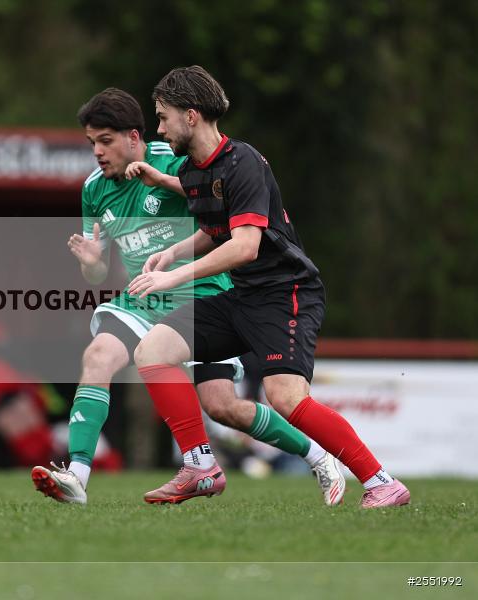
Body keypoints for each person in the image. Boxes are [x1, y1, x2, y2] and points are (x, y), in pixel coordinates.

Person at [31, 88, 345, 505]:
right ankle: (78, 476)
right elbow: (99, 272)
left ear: (134, 137)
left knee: (223, 407)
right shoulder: (94, 189)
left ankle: (317, 454)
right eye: (92, 143)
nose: (98, 153)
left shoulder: (175, 159)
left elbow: (219, 199)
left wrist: (165, 183)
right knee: (98, 356)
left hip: (204, 295)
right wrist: (91, 263)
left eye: (105, 141)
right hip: (144, 298)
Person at [125, 66, 408, 508]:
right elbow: (216, 229)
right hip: (243, 296)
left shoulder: (244, 163)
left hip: (286, 293)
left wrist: (174, 275)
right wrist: (173, 252)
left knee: (286, 398)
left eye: (163, 117)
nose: (158, 128)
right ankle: (201, 467)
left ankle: (382, 482)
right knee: (152, 351)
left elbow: (245, 246)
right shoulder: (193, 169)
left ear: (192, 116)